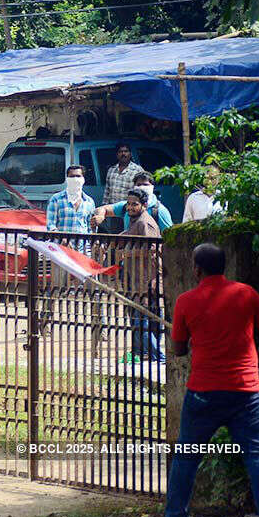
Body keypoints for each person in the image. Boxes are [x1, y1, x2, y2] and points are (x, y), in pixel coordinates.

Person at [146, 243, 259, 517]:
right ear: (224, 266)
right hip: (246, 393)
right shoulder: (247, 294)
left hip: (204, 394)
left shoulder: (186, 301)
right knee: (258, 457)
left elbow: (179, 350)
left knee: (185, 458)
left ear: (196, 269)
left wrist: (187, 334)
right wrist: (251, 364)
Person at [119, 187, 163, 362]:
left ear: (144, 205)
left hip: (146, 279)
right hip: (134, 278)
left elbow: (151, 250)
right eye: (128, 204)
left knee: (143, 319)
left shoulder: (145, 223)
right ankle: (143, 354)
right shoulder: (134, 221)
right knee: (138, 319)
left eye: (134, 204)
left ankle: (157, 356)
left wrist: (126, 254)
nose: (130, 208)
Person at [92, 171, 172, 233]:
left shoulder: (160, 211)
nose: (142, 187)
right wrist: (101, 216)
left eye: (145, 185)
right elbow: (103, 209)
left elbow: (169, 235)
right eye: (139, 184)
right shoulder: (127, 206)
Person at [100, 144, 144, 234]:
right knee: (114, 239)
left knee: (128, 238)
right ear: (117, 155)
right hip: (113, 213)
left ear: (130, 154)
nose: (123, 154)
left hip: (129, 212)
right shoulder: (111, 170)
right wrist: (104, 209)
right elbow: (107, 191)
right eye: (120, 152)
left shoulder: (137, 170)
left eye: (126, 151)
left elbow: (141, 192)